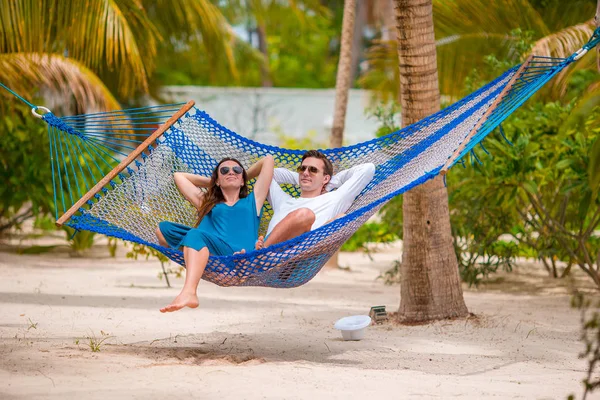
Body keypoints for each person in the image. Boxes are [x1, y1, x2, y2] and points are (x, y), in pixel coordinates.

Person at [156, 156, 274, 313]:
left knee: (195, 235)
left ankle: (189, 291)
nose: (231, 172)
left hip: (240, 256)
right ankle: (205, 260)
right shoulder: (207, 203)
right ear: (217, 181)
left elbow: (268, 160)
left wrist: (242, 176)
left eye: (237, 170)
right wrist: (213, 182)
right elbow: (179, 176)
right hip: (212, 248)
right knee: (163, 229)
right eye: (224, 170)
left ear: (243, 180)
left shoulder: (254, 201)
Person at [253, 150, 376, 249]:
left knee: (310, 215)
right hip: (270, 253)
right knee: (302, 213)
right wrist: (305, 178)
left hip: (298, 258)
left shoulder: (334, 199)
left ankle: (261, 254)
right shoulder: (283, 201)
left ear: (326, 178)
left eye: (313, 170)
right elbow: (267, 173)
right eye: (302, 168)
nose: (306, 172)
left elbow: (367, 169)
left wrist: (329, 183)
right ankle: (262, 254)